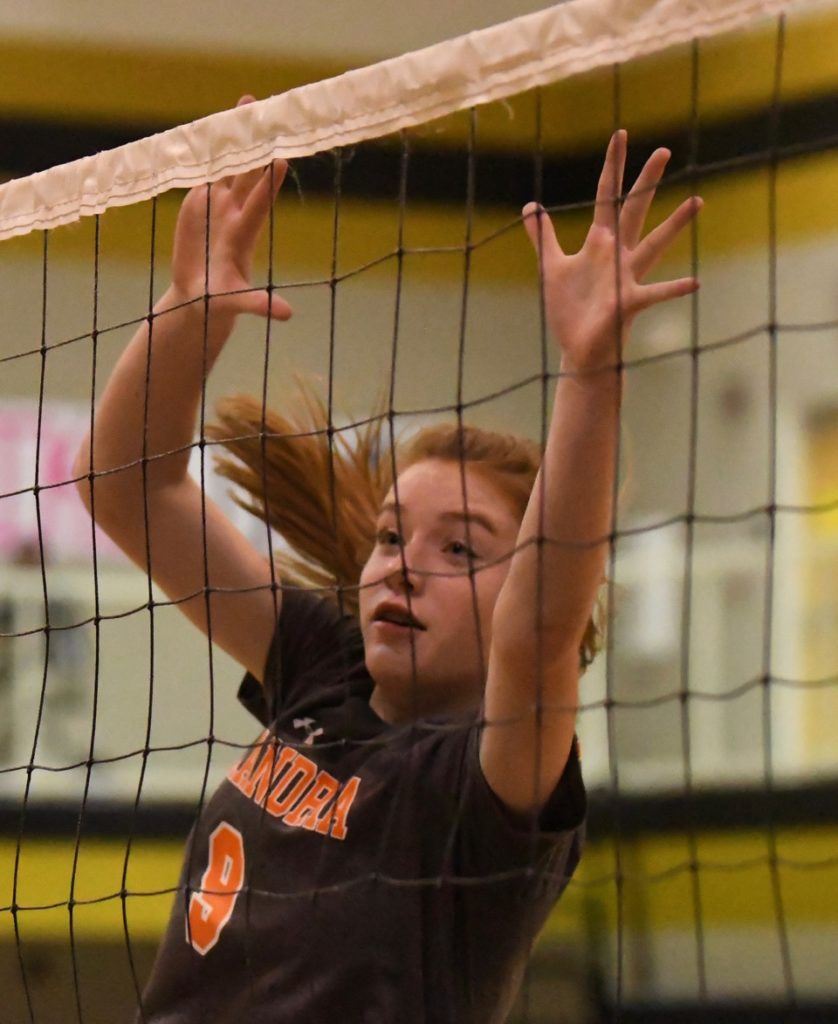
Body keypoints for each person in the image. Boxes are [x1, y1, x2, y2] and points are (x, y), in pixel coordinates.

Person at [72, 95, 701, 1022]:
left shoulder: (483, 788)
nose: (402, 566)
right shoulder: (323, 668)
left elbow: (541, 627)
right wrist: (191, 306)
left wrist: (589, 368)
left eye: (461, 548)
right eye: (391, 537)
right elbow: (126, 486)